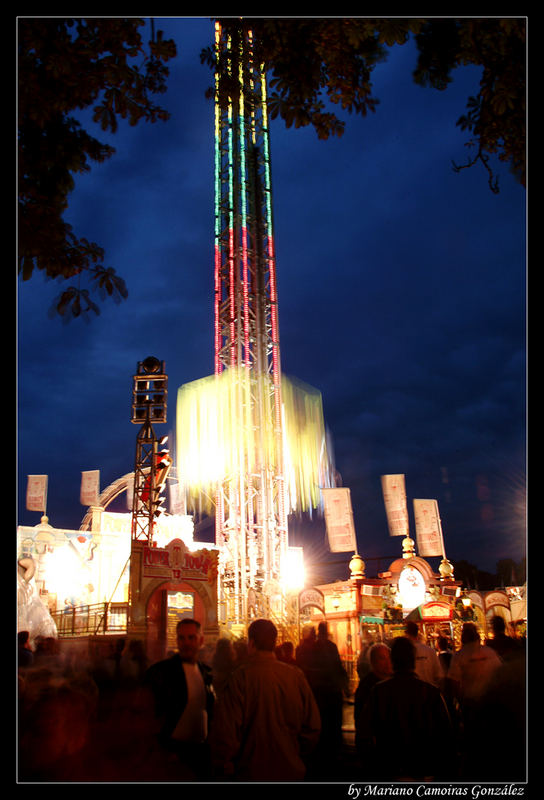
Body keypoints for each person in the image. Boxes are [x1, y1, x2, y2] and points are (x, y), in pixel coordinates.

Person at [209, 618, 321, 781]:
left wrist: (224, 762)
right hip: (290, 771)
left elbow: (226, 732)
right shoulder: (296, 676)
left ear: (251, 643)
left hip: (251, 772)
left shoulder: (241, 678)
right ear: (274, 642)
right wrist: (293, 751)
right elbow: (313, 726)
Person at [358, 636, 454, 781]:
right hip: (422, 770)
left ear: (393, 660)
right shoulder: (430, 693)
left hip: (389, 769)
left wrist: (375, 767)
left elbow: (364, 734)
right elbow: (446, 738)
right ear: (413, 660)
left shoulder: (379, 692)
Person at [143, 618, 214, 778]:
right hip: (172, 754)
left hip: (200, 753)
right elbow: (148, 715)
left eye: (191, 638)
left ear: (201, 640)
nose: (186, 643)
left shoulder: (207, 673)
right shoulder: (161, 673)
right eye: (182, 638)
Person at [354, 643, 392, 760]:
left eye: (388, 658)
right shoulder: (367, 686)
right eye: (382, 658)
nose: (387, 662)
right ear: (373, 662)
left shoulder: (394, 684)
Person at [405, 621, 443, 687]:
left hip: (412, 690)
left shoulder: (405, 652)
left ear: (407, 634)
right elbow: (439, 675)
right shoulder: (430, 651)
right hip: (429, 690)